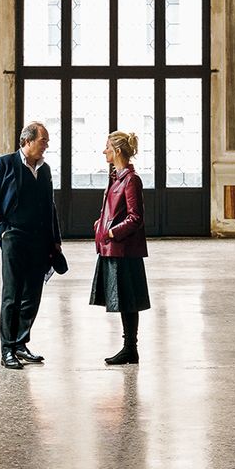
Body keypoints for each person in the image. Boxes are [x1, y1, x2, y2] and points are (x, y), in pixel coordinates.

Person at [0, 121, 62, 370]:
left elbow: (50, 207)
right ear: (27, 141)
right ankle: (7, 350)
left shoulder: (45, 169)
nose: (46, 146)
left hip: (40, 241)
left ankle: (20, 343)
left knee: (32, 296)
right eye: (43, 141)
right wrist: (3, 229)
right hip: (14, 238)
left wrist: (55, 240)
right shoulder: (4, 164)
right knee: (12, 295)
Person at [90, 130, 150, 366]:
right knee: (125, 299)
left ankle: (130, 349)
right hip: (112, 248)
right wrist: (100, 222)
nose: (103, 151)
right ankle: (129, 349)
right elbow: (114, 211)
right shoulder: (116, 177)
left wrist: (112, 231)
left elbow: (136, 218)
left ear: (116, 151)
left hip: (124, 250)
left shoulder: (131, 180)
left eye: (106, 147)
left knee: (129, 300)